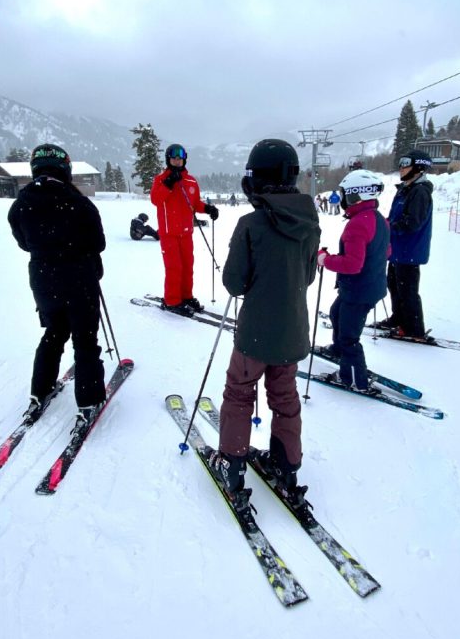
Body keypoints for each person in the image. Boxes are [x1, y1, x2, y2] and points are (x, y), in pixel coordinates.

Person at [206, 138, 321, 513]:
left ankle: (232, 465)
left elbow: (234, 283)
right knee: (285, 398)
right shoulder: (309, 220)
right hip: (292, 332)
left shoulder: (251, 224)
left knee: (239, 394)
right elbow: (307, 276)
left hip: (255, 333)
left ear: (256, 179)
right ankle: (287, 468)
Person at [8, 144, 107, 426]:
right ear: (65, 168)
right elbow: (98, 242)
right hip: (78, 277)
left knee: (54, 332)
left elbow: (24, 242)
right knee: (85, 340)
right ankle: (89, 400)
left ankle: (41, 389)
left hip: (43, 278)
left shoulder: (22, 203)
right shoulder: (77, 202)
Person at [316, 170, 389, 391]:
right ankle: (339, 350)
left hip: (359, 290)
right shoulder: (378, 218)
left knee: (349, 336)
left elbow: (352, 264)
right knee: (336, 313)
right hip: (366, 286)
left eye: (345, 194)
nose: (343, 199)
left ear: (356, 195)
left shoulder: (358, 223)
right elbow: (387, 250)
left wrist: (325, 259)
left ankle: (355, 380)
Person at [150, 143, 219, 316]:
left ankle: (186, 296)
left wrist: (208, 208)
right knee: (174, 267)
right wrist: (168, 183)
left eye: (180, 158)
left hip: (186, 233)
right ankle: (172, 301)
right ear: (168, 159)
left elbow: (195, 203)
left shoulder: (191, 181)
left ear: (184, 159)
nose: (177, 160)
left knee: (188, 266)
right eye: (173, 158)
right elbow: (156, 199)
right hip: (169, 233)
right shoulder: (161, 179)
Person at [380, 149, 434, 339]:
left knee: (407, 290)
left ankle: (413, 328)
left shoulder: (420, 192)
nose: (401, 168)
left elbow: (413, 222)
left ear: (419, 168)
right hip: (397, 249)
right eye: (401, 164)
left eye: (406, 164)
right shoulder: (405, 189)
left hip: (409, 250)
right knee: (394, 285)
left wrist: (388, 227)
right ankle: (398, 318)